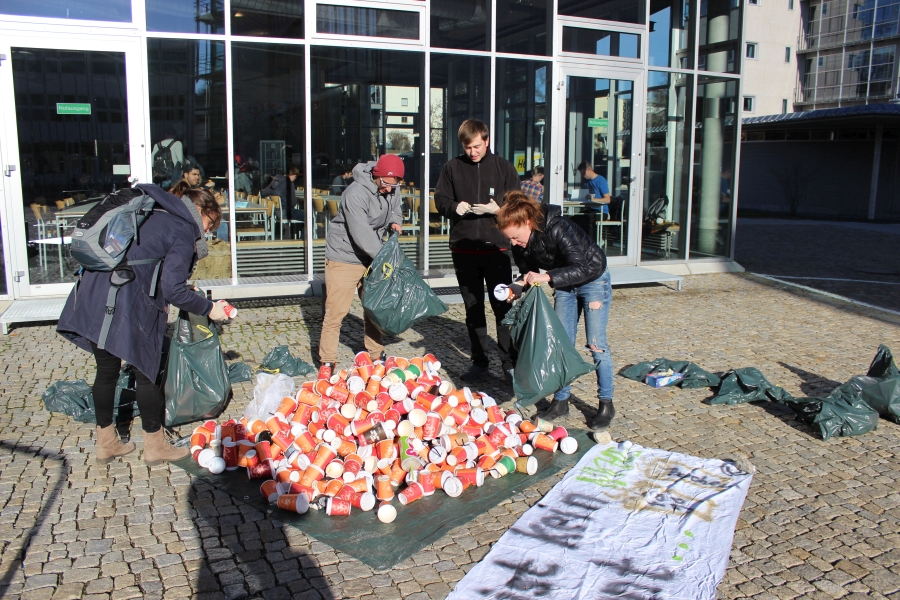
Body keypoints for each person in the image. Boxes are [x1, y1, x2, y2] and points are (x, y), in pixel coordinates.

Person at [57, 185, 230, 464]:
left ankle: (107, 443)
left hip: (95, 292)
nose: (208, 231)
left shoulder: (153, 211)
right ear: (200, 210)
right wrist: (210, 308)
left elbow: (151, 260)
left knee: (106, 371)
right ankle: (155, 445)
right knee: (147, 371)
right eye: (210, 223)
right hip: (126, 301)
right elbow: (173, 291)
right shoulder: (183, 228)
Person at [496, 190, 615, 429]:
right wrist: (517, 286)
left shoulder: (557, 227)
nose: (513, 243)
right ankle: (561, 402)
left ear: (528, 222)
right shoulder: (520, 243)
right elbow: (527, 272)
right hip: (563, 284)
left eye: (516, 237)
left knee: (596, 344)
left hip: (593, 279)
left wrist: (546, 276)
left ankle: (606, 403)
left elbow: (580, 267)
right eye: (509, 239)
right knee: (559, 342)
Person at [434, 119, 520, 382]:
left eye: (477, 146)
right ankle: (480, 362)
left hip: (497, 249)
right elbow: (440, 199)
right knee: (473, 309)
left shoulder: (503, 167)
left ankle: (508, 363)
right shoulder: (452, 168)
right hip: (465, 250)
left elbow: (517, 202)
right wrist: (453, 207)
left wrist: (498, 210)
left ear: (487, 140)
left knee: (502, 307)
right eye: (468, 147)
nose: (473, 152)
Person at [318, 155, 404, 370]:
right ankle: (327, 360)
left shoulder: (393, 185)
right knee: (336, 312)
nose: (389, 190)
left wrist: (395, 221)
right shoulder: (354, 193)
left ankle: (376, 352)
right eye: (385, 184)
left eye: (394, 185)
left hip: (372, 254)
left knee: (372, 307)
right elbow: (362, 234)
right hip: (345, 255)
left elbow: (396, 209)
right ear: (376, 176)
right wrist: (387, 260)